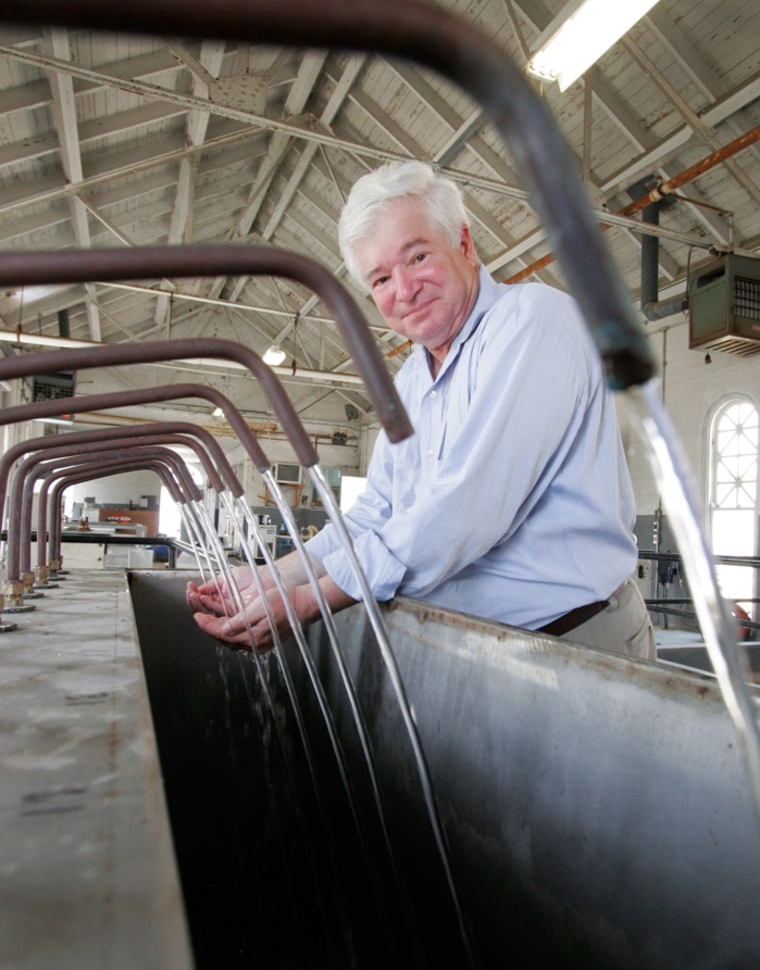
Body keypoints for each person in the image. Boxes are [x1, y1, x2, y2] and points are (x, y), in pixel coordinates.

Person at [188, 160, 655, 660]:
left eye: (417, 257)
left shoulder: (532, 324)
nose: (404, 290)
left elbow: (468, 506)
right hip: (479, 644)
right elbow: (378, 512)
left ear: (464, 244)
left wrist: (311, 601)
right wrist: (273, 576)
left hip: (577, 643)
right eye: (382, 278)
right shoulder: (411, 380)